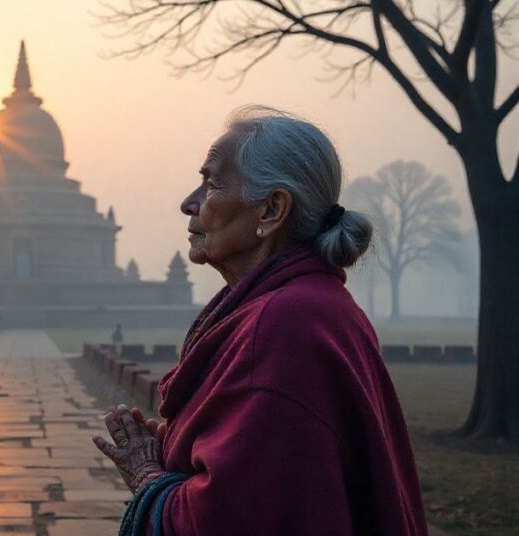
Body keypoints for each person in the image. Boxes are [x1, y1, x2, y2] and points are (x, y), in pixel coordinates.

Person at [93, 106, 427, 535]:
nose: (189, 203)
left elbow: (220, 521)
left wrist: (148, 477)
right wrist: (180, 448)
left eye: (212, 184)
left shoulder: (283, 326)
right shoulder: (311, 306)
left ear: (271, 210)